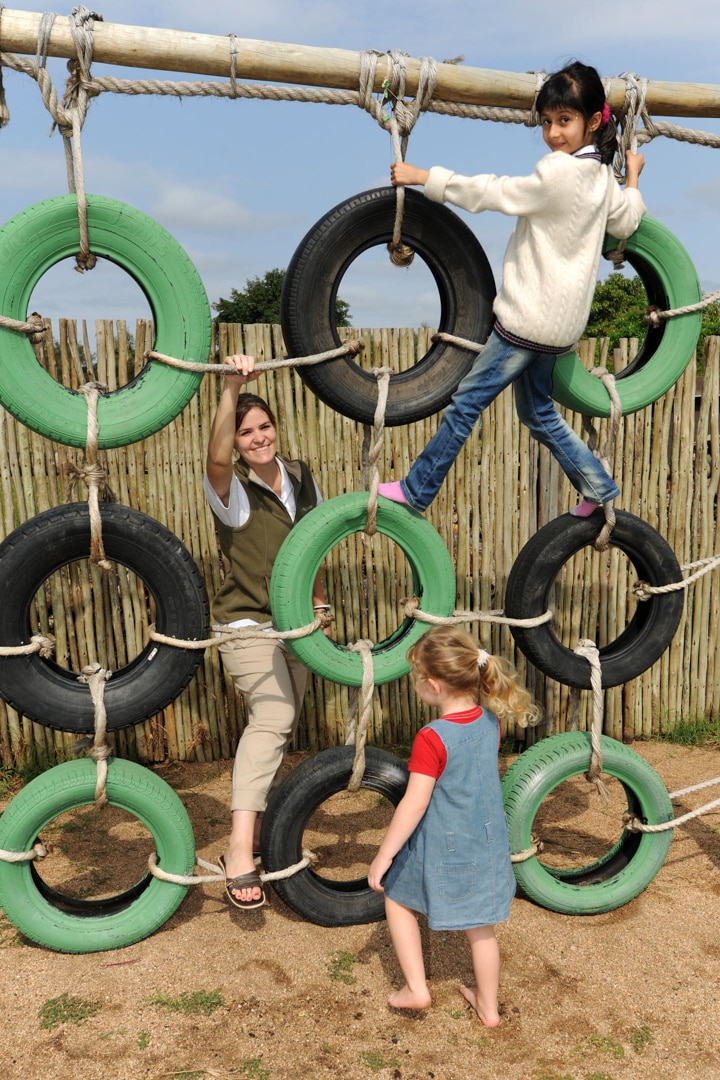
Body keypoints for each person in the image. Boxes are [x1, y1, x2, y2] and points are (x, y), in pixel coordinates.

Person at [378, 60, 646, 518]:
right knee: (538, 413)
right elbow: (627, 218)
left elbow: (497, 192)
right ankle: (598, 485)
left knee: (465, 403)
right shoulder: (602, 178)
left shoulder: (559, 172)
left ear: (595, 120)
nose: (554, 134)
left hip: (527, 321)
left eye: (565, 121)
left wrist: (426, 178)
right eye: (546, 122)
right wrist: (634, 176)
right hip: (561, 329)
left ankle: (418, 489)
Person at [204, 354, 328, 909]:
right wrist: (231, 389)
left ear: (277, 427)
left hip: (295, 622)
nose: (257, 438)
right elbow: (216, 455)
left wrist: (320, 599)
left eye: (264, 427)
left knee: (282, 723)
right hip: (247, 623)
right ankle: (237, 851)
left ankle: (257, 833)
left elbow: (317, 539)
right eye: (245, 431)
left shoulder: (300, 475)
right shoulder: (229, 491)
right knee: (274, 716)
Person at [367, 625, 539, 1025]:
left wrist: (384, 854)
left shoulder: (431, 738)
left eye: (416, 680)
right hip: (485, 844)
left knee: (396, 899)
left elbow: (414, 803)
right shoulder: (489, 723)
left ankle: (416, 989)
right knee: (482, 929)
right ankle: (490, 1008)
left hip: (445, 849)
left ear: (433, 686)